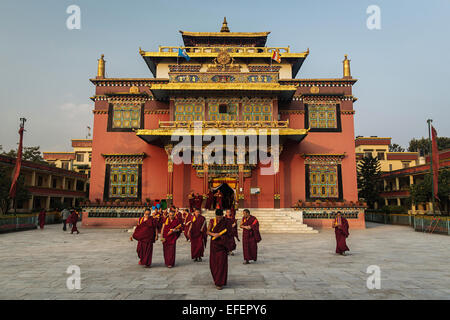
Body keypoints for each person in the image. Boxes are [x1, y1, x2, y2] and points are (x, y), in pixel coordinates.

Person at [207, 209, 234, 290]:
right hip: (214, 245)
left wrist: (221, 235)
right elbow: (207, 231)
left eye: (220, 217)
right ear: (215, 216)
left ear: (223, 215)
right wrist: (213, 234)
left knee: (221, 264)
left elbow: (230, 233)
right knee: (213, 264)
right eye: (217, 217)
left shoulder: (226, 221)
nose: (219, 219)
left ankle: (220, 283)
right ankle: (216, 279)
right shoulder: (212, 221)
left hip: (222, 245)